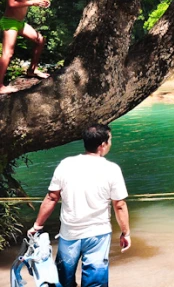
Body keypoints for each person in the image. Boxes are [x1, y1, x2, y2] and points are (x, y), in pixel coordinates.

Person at [28, 123, 131, 287]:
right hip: (98, 234)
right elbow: (119, 205)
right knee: (95, 282)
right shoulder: (112, 169)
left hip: (70, 233)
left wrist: (37, 226)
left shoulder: (66, 164)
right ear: (102, 145)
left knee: (63, 280)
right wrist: (125, 233)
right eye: (110, 140)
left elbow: (51, 198)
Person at [0, 0, 51, 94]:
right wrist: (32, 2)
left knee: (40, 40)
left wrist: (39, 2)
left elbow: (22, 2)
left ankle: (32, 70)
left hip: (20, 23)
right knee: (8, 53)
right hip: (10, 22)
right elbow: (11, 4)